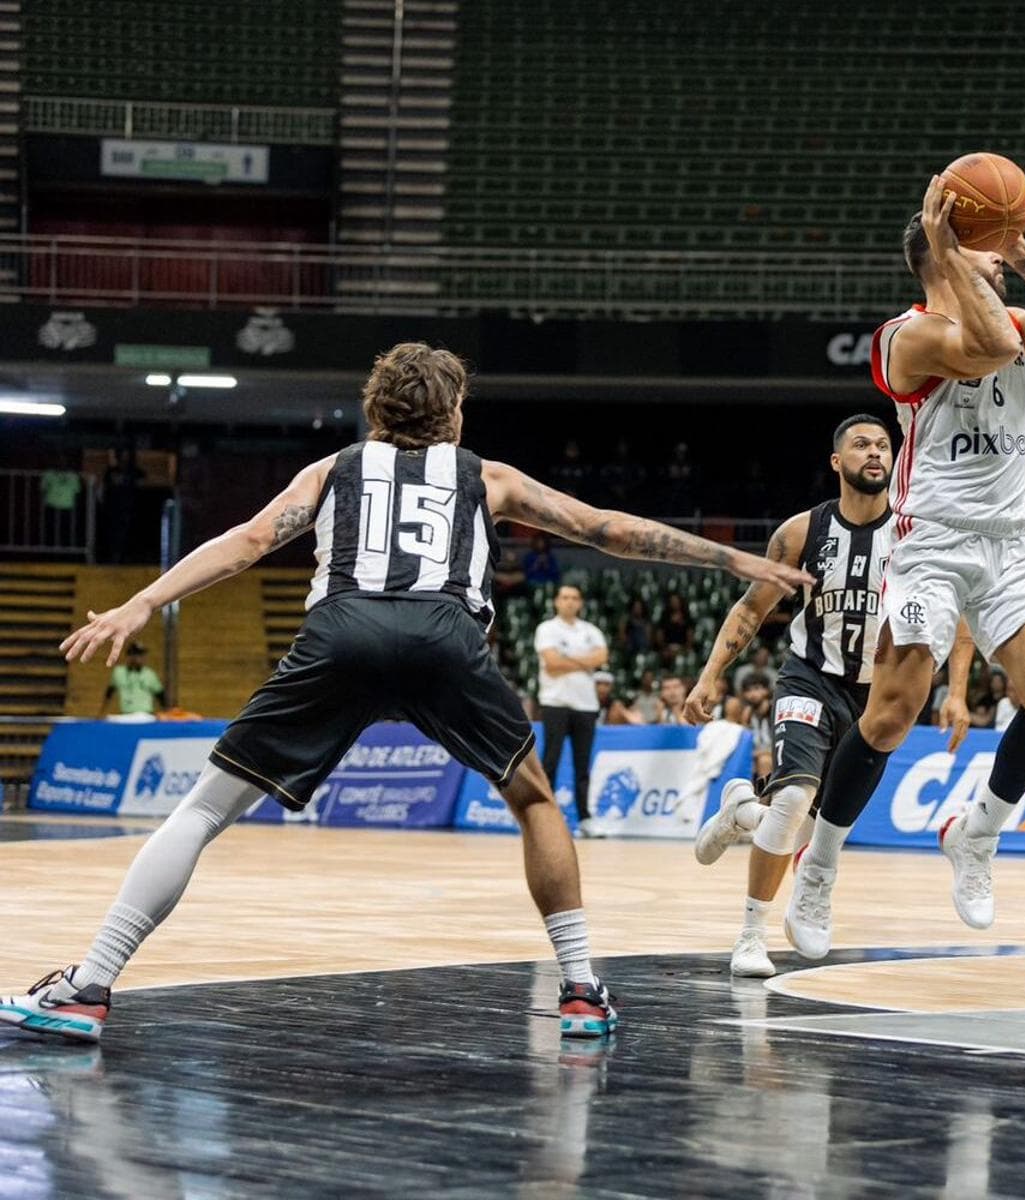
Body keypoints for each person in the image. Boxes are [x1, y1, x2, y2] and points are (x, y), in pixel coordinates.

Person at [1, 343, 809, 1045]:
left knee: (204, 811)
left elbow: (247, 542)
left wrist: (146, 600)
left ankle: (90, 985)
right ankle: (581, 989)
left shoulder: (333, 470)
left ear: (374, 411)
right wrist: (733, 562)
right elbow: (607, 529)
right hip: (444, 637)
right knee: (534, 801)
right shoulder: (486, 476)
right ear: (455, 412)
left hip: (341, 632)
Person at [809, 174, 1025, 933]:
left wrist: (1024, 248)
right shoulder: (905, 338)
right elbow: (993, 345)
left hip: (1010, 540)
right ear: (941, 256)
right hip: (933, 542)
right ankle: (821, 861)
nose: (999, 263)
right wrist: (951, 248)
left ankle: (977, 833)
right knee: (890, 717)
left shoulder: (1002, 311)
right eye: (988, 251)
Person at [685, 415, 973, 976]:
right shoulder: (801, 532)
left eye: (885, 446)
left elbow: (958, 617)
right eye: (862, 445)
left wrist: (957, 692)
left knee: (806, 825)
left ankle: (742, 810)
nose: (876, 453)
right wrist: (710, 674)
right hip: (810, 676)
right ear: (837, 461)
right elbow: (752, 607)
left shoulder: (920, 534)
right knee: (794, 801)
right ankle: (750, 936)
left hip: (878, 698)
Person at [535, 584, 609, 835]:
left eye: (574, 598)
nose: (569, 602)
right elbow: (552, 663)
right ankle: (545, 817)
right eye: (564, 597)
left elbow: (601, 658)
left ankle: (585, 819)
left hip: (586, 705)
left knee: (582, 765)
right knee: (551, 761)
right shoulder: (546, 629)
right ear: (556, 601)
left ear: (580, 603)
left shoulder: (591, 631)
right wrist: (584, 661)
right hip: (555, 702)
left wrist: (567, 658)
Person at [101, 642, 166, 716]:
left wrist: (166, 714)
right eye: (138, 655)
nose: (141, 658)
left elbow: (161, 696)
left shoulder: (149, 674)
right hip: (126, 714)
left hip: (145, 715)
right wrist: (101, 714)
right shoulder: (119, 672)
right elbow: (109, 694)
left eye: (142, 655)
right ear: (129, 656)